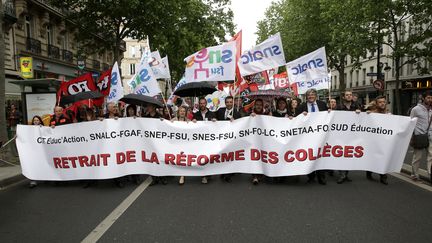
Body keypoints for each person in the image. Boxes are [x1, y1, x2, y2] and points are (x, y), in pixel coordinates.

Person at [296, 88, 328, 185]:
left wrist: (329, 112)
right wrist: (301, 115)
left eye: (312, 94)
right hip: (307, 135)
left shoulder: (322, 104)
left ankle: (321, 176)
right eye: (308, 95)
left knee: (320, 155)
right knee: (310, 154)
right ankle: (310, 176)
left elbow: (328, 117)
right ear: (306, 97)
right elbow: (296, 120)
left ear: (316, 95)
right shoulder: (301, 107)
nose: (310, 96)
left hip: (320, 134)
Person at [335, 90, 361, 184]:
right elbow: (333, 118)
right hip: (341, 134)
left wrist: (362, 112)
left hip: (352, 134)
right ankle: (342, 174)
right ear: (344, 97)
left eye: (350, 95)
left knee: (349, 154)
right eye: (347, 95)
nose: (349, 96)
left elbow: (364, 117)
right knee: (341, 154)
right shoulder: (339, 107)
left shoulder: (357, 106)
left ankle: (345, 173)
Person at [216, 96, 241, 183]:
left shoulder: (237, 113)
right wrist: (213, 120)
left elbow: (241, 125)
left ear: (233, 103)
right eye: (227, 102)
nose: (229, 104)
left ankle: (228, 174)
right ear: (225, 103)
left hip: (231, 139)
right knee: (223, 155)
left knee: (230, 155)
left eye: (231, 102)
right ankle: (224, 171)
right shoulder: (220, 111)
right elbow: (215, 119)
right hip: (222, 138)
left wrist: (235, 122)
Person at [366, 96, 389, 185]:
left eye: (383, 102)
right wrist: (366, 115)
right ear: (376, 103)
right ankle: (369, 171)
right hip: (374, 140)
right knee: (373, 157)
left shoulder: (389, 114)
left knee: (383, 158)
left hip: (384, 140)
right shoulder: (372, 113)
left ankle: (383, 176)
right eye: (380, 102)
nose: (382, 103)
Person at [410, 90, 432, 183]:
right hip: (419, 136)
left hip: (430, 136)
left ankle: (430, 174)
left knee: (431, 156)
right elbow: (410, 123)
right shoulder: (416, 109)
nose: (430, 99)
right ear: (423, 98)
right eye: (428, 97)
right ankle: (414, 174)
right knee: (417, 157)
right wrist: (412, 136)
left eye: (431, 98)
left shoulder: (431, 109)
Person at [192, 97, 216, 184]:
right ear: (199, 105)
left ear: (206, 104)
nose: (202, 105)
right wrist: (193, 121)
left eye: (203, 103)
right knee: (202, 157)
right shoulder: (195, 115)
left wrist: (215, 121)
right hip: (199, 140)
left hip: (209, 140)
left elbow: (217, 126)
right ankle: (204, 175)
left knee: (208, 157)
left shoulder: (212, 114)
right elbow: (191, 127)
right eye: (200, 103)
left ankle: (207, 174)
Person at [144, 104, 168, 185]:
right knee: (152, 160)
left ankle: (163, 177)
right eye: (148, 107)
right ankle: (154, 178)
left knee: (161, 159)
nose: (148, 108)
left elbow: (165, 127)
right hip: (150, 142)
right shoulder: (145, 117)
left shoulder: (160, 116)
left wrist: (163, 121)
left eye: (149, 106)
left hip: (159, 142)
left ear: (153, 107)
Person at [250, 99, 270, 185]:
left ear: (262, 106)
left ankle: (261, 174)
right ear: (254, 106)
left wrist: (270, 118)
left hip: (264, 140)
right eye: (257, 105)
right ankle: (255, 176)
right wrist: (250, 117)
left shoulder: (266, 115)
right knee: (254, 157)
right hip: (253, 141)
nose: (258, 106)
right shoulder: (250, 114)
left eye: (260, 105)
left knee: (263, 156)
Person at [172, 106, 191, 185]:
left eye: (184, 111)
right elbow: (164, 126)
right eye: (181, 111)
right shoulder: (173, 120)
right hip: (175, 143)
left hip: (185, 143)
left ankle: (182, 175)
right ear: (178, 112)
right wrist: (163, 121)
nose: (182, 112)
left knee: (182, 158)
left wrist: (193, 122)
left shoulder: (188, 121)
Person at [29, 115, 44, 188]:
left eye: (37, 120)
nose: (36, 121)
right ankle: (33, 180)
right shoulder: (29, 129)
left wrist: (42, 129)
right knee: (33, 164)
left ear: (40, 121)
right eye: (34, 120)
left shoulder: (43, 128)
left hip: (42, 150)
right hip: (33, 150)